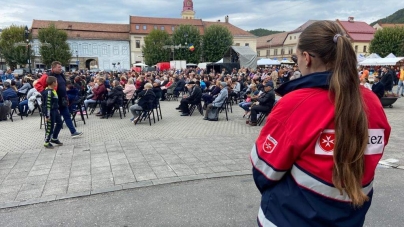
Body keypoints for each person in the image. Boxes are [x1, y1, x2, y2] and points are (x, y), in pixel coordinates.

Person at [250, 21, 391, 227]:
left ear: (306, 58)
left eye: (295, 58)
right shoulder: (372, 102)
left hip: (291, 217)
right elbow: (373, 154)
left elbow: (263, 170)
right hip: (351, 218)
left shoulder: (296, 103)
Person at [35, 61, 83, 138]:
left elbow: (63, 86)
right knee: (53, 120)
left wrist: (66, 97)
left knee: (67, 116)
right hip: (53, 101)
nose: (61, 68)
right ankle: (50, 136)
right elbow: (37, 84)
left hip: (62, 99)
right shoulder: (47, 75)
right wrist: (45, 93)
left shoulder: (61, 75)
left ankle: (73, 132)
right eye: (59, 67)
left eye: (61, 67)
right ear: (53, 68)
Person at [42, 76, 63, 149]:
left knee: (60, 123)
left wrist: (57, 109)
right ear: (53, 83)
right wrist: (47, 115)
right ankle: (46, 141)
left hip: (55, 110)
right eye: (56, 82)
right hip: (50, 112)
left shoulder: (53, 91)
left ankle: (54, 138)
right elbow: (48, 105)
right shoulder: (49, 92)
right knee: (50, 127)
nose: (57, 83)